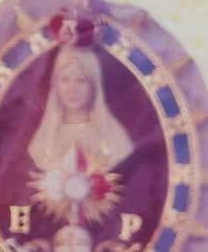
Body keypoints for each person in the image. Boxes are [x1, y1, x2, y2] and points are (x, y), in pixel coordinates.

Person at [27, 43, 136, 176]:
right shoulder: (43, 142)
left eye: (81, 80)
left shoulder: (116, 140)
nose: (72, 89)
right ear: (55, 84)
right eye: (65, 79)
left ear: (94, 86)